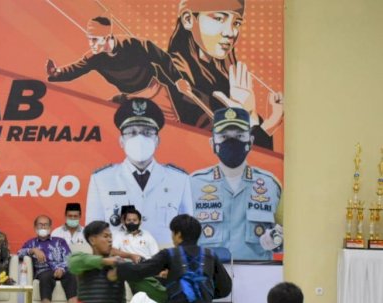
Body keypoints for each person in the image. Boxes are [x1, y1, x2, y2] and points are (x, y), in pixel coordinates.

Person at [168, 0, 283, 149]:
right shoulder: (175, 76)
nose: (230, 32)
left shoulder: (222, 76)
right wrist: (249, 116)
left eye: (236, 23)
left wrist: (271, 120)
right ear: (188, 19)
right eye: (218, 19)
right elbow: (224, 151)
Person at [85, 98, 193, 246]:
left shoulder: (179, 179)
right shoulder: (102, 179)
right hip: (121, 264)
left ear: (157, 140)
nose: (140, 138)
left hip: (166, 263)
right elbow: (93, 234)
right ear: (121, 141)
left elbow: (188, 234)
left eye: (147, 132)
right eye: (132, 132)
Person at [46, 16, 194, 122]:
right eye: (89, 38)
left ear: (107, 37)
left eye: (95, 39)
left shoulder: (135, 44)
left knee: (172, 127)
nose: (90, 44)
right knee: (103, 114)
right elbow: (74, 69)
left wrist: (178, 79)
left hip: (153, 93)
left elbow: (163, 58)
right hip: (128, 98)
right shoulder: (94, 57)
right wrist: (57, 72)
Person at [190, 107, 283, 260]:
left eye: (240, 136)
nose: (232, 142)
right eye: (224, 136)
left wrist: (277, 241)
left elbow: (289, 235)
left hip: (257, 278)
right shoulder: (193, 184)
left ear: (251, 142)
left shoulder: (271, 185)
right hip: (208, 278)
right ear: (212, 142)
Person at [18, 215, 78, 303]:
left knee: (72, 275)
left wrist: (61, 269)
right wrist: (33, 250)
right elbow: (19, 254)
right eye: (40, 225)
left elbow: (69, 258)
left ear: (50, 227)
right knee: (45, 278)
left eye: (46, 225)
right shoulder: (31, 243)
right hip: (43, 271)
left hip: (61, 269)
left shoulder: (60, 241)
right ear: (35, 227)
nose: (43, 227)